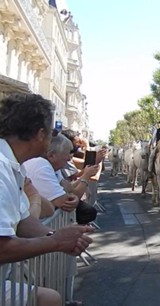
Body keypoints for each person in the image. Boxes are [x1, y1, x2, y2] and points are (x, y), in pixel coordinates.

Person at [0, 93, 94, 306]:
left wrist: (56, 235)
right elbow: (2, 247)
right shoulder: (2, 168)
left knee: (49, 298)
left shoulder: (14, 165)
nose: (53, 139)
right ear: (40, 134)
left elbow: (24, 220)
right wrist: (55, 242)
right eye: (52, 133)